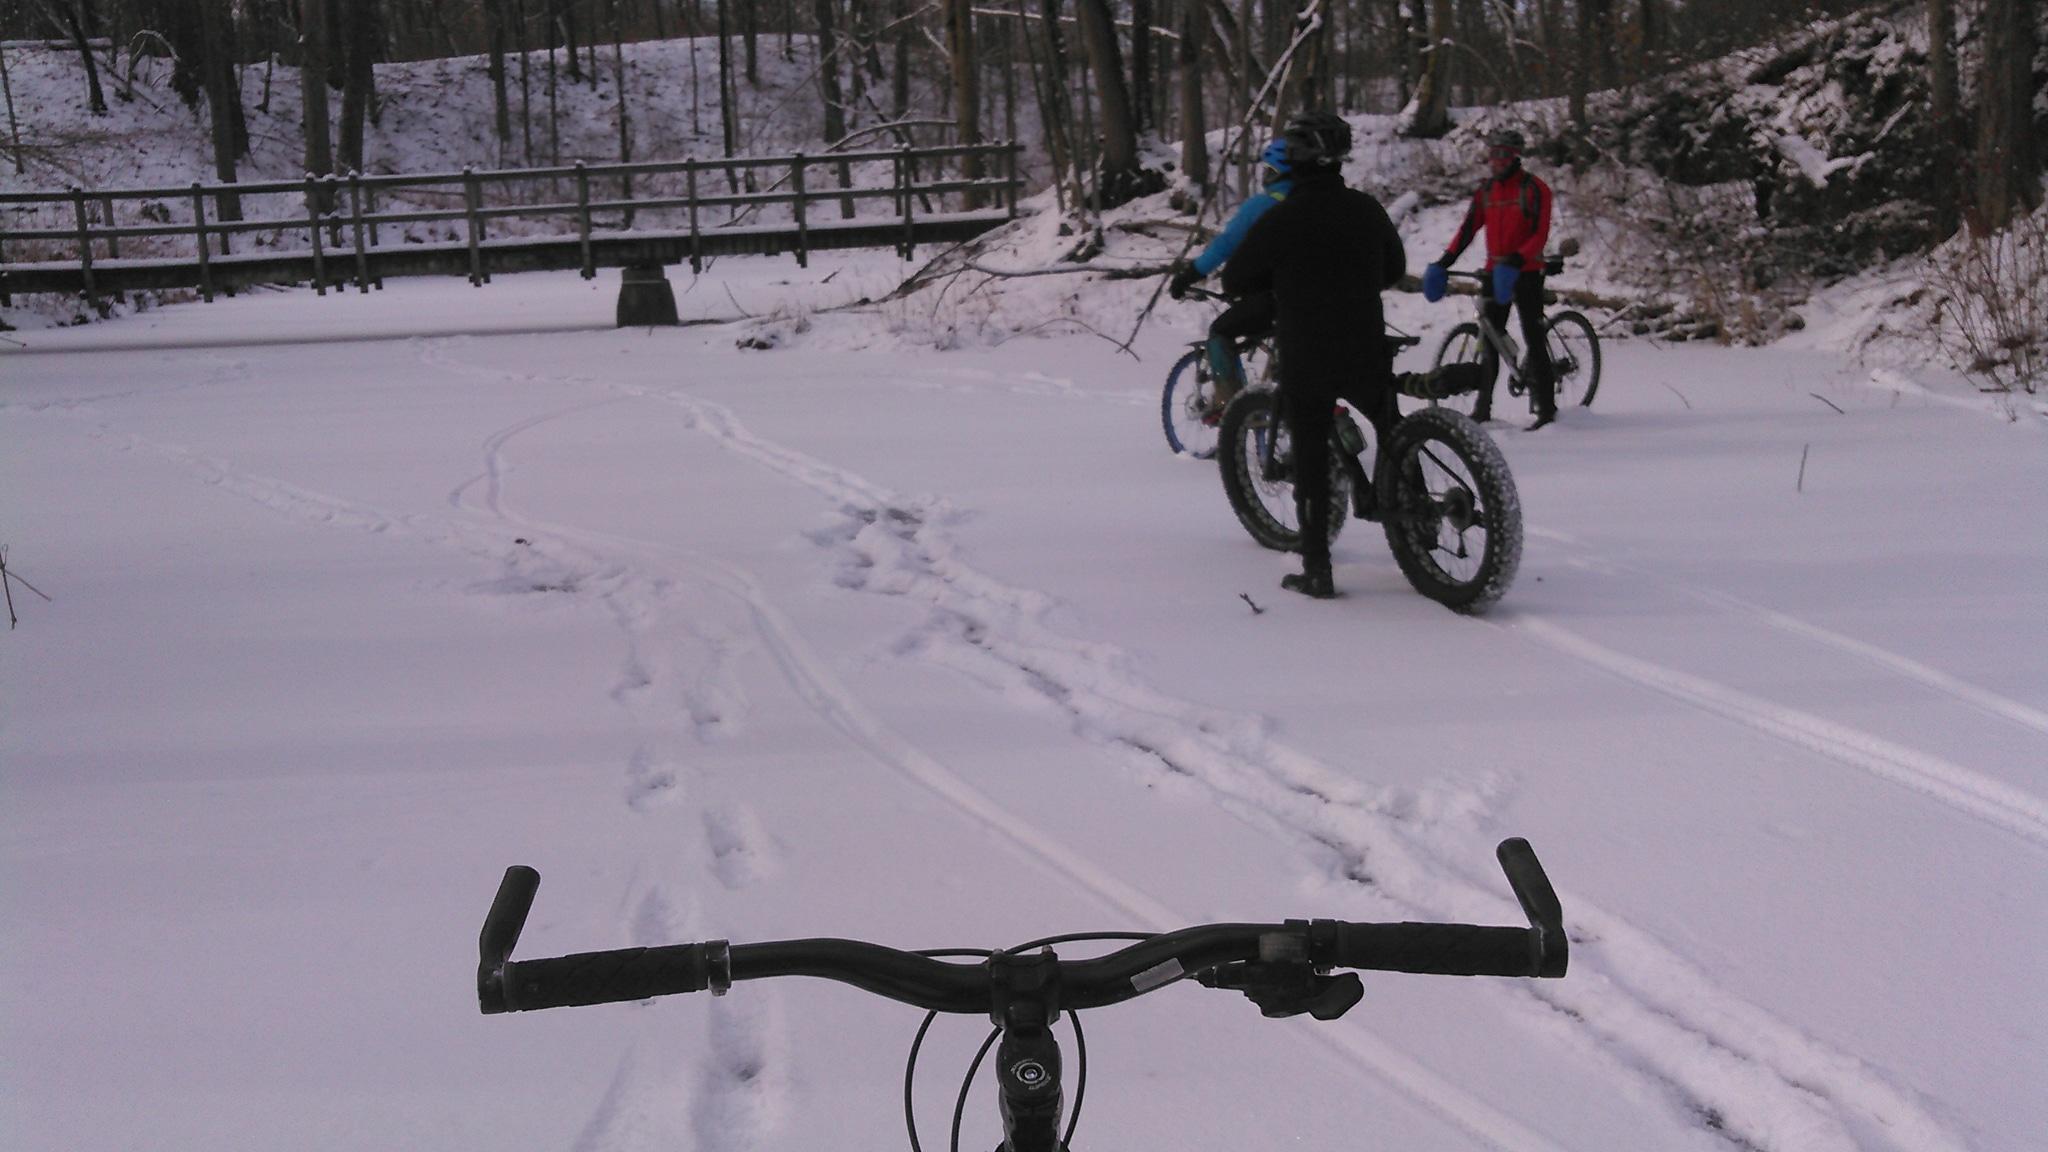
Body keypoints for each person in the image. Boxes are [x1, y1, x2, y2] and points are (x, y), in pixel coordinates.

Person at [1219, 111, 1406, 600]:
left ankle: (1318, 569)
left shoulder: (1282, 218)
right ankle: (1415, 519)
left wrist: (1277, 287)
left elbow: (1236, 279)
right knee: (1391, 427)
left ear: (1296, 161)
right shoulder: (1366, 209)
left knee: (1309, 453)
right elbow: (1395, 267)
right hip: (1366, 340)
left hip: (1308, 349)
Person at [1421, 127, 1557, 429]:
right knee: (1491, 337)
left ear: (1515, 157)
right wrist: (1444, 262)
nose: (1496, 162)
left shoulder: (1535, 189)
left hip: (1527, 273)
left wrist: (1518, 259)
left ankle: (1546, 409)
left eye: (1502, 156)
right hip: (1496, 272)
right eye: (1492, 156)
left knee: (1533, 337)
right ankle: (1483, 407)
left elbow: (1540, 233)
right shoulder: (1486, 192)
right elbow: (1467, 230)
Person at [1166, 140, 1294, 416]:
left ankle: (1231, 408)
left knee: (1220, 332)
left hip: (1272, 299)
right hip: (1322, 298)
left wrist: (1190, 274)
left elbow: (1226, 245)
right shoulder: (1319, 204)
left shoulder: (1263, 205)